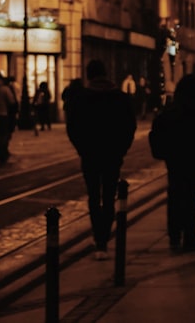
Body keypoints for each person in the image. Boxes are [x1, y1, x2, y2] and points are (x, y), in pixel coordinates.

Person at [65, 59, 138, 261]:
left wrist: (82, 148)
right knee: (108, 196)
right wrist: (121, 149)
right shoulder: (120, 98)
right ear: (106, 73)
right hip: (112, 154)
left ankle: (99, 238)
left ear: (89, 75)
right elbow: (129, 126)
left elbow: (72, 127)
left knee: (93, 196)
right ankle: (104, 237)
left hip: (90, 154)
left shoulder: (81, 98)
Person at [153, 73, 195, 252]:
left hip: (175, 160)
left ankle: (174, 237)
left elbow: (159, 133)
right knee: (190, 198)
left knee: (175, 196)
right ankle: (189, 235)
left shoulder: (171, 110)